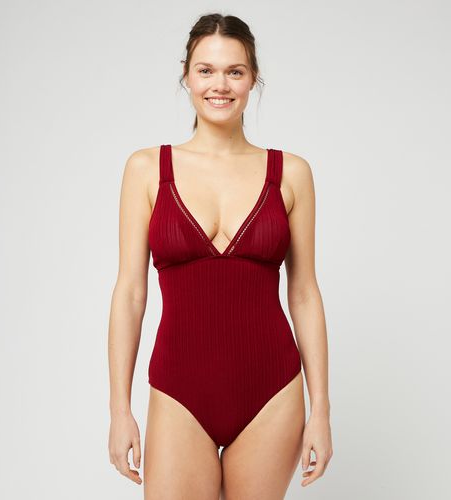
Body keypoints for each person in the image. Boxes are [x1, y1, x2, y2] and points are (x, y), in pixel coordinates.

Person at [108, 13, 332, 499]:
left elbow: (304, 293)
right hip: (179, 390)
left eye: (235, 71)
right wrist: (119, 409)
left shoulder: (291, 173)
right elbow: (130, 293)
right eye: (206, 70)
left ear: (253, 79)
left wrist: (322, 412)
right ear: (187, 76)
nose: (220, 85)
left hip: (272, 391)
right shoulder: (146, 169)